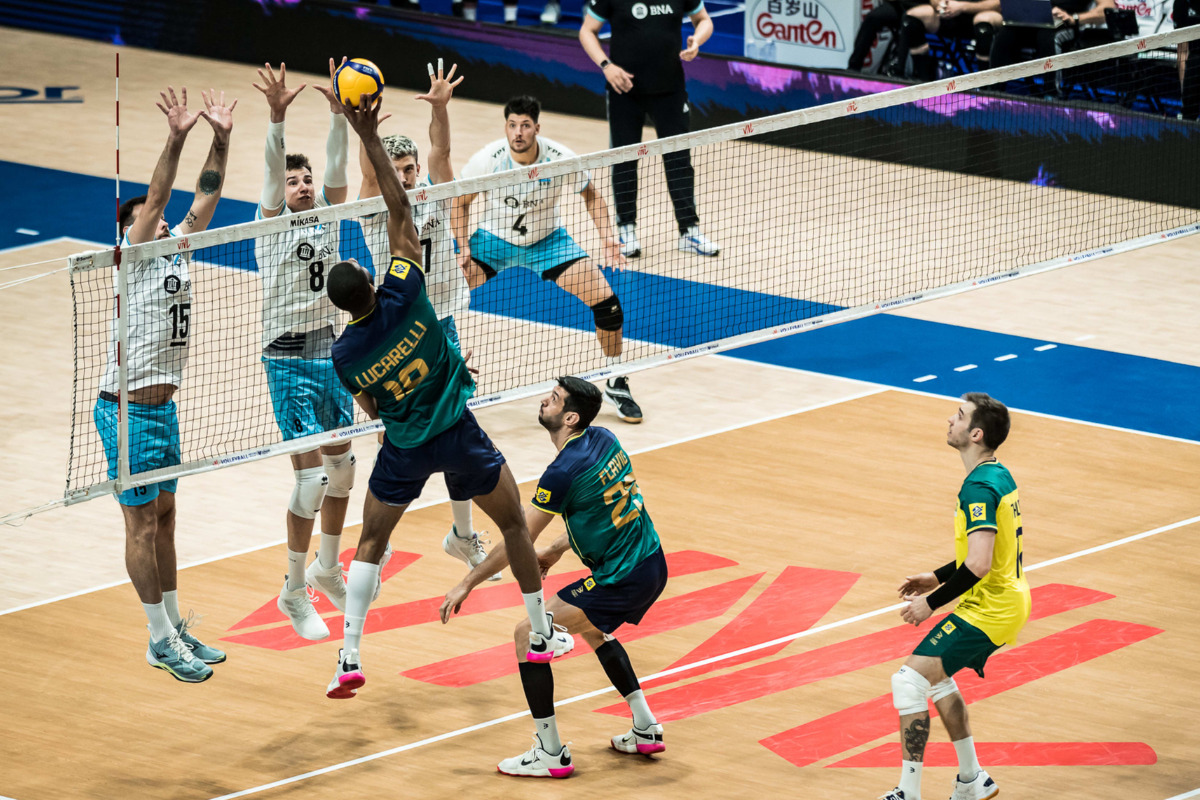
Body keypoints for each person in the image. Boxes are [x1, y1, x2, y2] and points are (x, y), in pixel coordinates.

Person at [324, 86, 572, 701]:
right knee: (517, 523)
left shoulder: (345, 353)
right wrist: (369, 134)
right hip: (458, 435)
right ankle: (540, 628)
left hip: (404, 447)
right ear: (374, 283)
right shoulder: (407, 290)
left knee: (371, 543)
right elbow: (398, 214)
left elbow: (371, 406)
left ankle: (349, 653)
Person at [439, 377, 669, 778]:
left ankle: (550, 752)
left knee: (527, 633)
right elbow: (605, 510)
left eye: (555, 399)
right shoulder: (604, 438)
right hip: (651, 562)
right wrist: (558, 549)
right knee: (596, 631)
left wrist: (468, 581)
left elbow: (518, 537)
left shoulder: (562, 471)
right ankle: (645, 728)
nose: (545, 401)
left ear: (570, 417)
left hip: (622, 576)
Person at [95, 86, 235, 683]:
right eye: (143, 218)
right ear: (130, 230)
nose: (156, 217)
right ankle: (156, 639)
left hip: (163, 410)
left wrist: (220, 137)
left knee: (168, 517)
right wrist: (175, 135)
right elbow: (158, 196)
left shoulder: (176, 248)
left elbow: (205, 194)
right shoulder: (136, 252)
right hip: (125, 409)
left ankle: (175, 624)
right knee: (142, 524)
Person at [357, 60, 501, 581]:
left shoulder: (434, 190)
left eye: (410, 169)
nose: (405, 177)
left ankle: (461, 535)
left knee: (456, 427)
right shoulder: (375, 206)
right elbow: (369, 173)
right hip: (399, 328)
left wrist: (440, 108)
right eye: (396, 171)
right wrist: (362, 128)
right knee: (397, 435)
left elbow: (440, 151)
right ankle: (380, 535)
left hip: (443, 321)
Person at [453, 96, 645, 424]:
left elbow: (591, 195)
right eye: (512, 125)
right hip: (493, 241)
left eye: (525, 125)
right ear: (506, 127)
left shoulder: (559, 158)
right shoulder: (489, 159)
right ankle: (439, 384)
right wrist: (463, 246)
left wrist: (608, 237)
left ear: (536, 128)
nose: (518, 132)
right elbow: (461, 202)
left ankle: (616, 378)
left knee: (607, 304)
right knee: (438, 299)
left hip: (548, 242)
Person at [251, 60, 359, 641]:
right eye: (293, 182)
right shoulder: (270, 222)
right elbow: (272, 172)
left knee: (343, 472)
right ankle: (293, 591)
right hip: (287, 356)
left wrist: (340, 115)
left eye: (306, 180)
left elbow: (338, 170)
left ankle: (326, 566)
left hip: (330, 350)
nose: (303, 187)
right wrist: (278, 117)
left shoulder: (327, 219)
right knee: (311, 481)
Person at [880, 393, 1030, 800]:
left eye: (959, 416)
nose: (950, 419)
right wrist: (937, 576)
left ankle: (908, 793)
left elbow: (979, 565)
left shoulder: (978, 489)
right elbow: (984, 554)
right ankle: (972, 780)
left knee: (908, 683)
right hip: (1003, 598)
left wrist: (930, 603)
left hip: (991, 606)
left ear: (975, 433)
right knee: (938, 679)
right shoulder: (998, 474)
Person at [580, 0, 721, 257]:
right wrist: (606, 66)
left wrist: (697, 41)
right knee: (624, 160)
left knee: (679, 159)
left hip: (670, 90)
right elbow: (587, 31)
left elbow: (704, 20)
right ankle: (626, 228)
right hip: (624, 91)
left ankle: (689, 231)